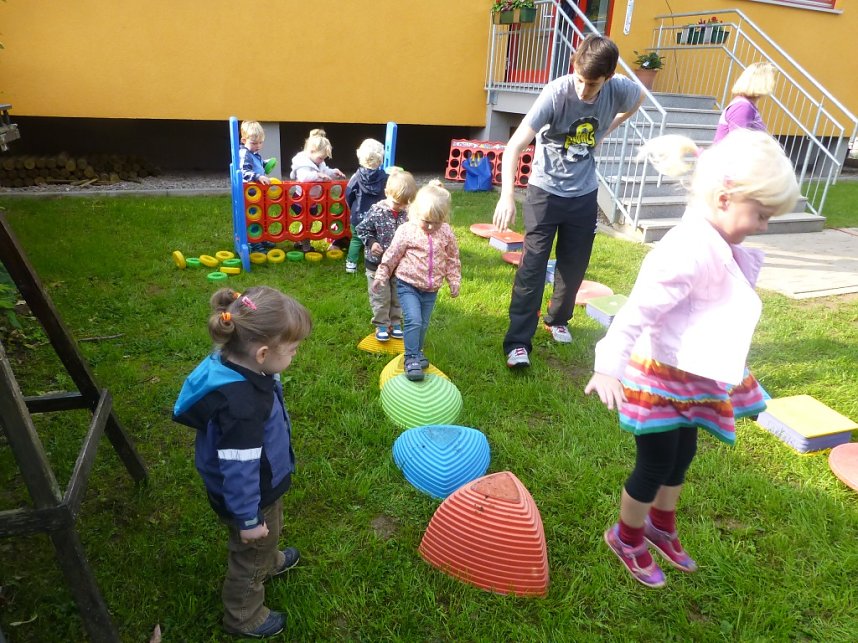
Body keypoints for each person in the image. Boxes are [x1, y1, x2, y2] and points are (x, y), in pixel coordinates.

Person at [584, 129, 799, 588]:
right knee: (657, 462)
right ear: (725, 198)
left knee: (683, 454)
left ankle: (662, 526)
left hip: (691, 374)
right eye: (760, 215)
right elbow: (637, 310)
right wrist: (608, 364)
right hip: (660, 376)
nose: (762, 226)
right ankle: (627, 536)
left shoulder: (714, 238)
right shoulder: (686, 250)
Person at [492, 35, 644, 369]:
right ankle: (518, 343)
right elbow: (515, 145)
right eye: (580, 80)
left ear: (607, 78)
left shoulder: (619, 90)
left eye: (592, 84)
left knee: (574, 264)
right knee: (532, 267)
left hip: (583, 193)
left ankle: (558, 318)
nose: (583, 90)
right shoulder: (556, 93)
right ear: (573, 70)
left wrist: (610, 127)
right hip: (544, 192)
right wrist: (507, 196)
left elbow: (638, 98)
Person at [172, 286, 312, 637]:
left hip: (261, 484)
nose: (295, 357)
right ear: (262, 353)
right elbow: (239, 471)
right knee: (249, 552)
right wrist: (248, 519)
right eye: (293, 351)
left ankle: (270, 557)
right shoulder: (243, 409)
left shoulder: (234, 359)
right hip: (249, 495)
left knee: (271, 529)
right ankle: (243, 615)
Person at [372, 180, 461, 381]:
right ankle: (410, 357)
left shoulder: (446, 232)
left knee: (423, 324)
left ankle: (417, 351)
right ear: (414, 213)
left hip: (431, 289)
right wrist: (381, 274)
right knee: (414, 320)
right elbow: (392, 255)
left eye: (435, 222)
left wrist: (454, 280)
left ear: (444, 218)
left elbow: (452, 258)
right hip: (408, 285)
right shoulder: (407, 230)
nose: (430, 226)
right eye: (425, 221)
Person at [355, 169, 418, 342]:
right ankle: (382, 324)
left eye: (405, 204)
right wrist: (371, 242)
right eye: (397, 202)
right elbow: (362, 229)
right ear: (387, 193)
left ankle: (396, 323)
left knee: (398, 296)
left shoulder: (409, 214)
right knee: (381, 296)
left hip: (400, 266)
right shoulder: (376, 211)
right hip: (377, 263)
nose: (400, 207)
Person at [344, 138, 388, 273]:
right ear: (381, 159)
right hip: (378, 217)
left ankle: (351, 264)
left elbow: (348, 194)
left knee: (356, 239)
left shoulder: (356, 177)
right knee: (377, 238)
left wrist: (351, 208)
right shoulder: (385, 177)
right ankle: (377, 262)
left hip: (359, 215)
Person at [712, 62, 777, 144]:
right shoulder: (743, 107)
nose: (773, 83)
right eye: (771, 79)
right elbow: (739, 144)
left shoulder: (744, 105)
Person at [239, 120, 272, 186]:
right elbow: (244, 171)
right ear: (244, 140)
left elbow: (255, 165)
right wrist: (258, 177)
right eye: (254, 143)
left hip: (256, 189)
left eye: (260, 142)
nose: (258, 146)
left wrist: (265, 163)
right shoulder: (245, 154)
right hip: (250, 190)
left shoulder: (253, 153)